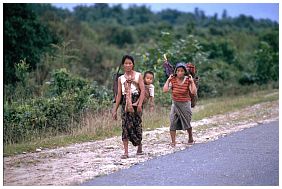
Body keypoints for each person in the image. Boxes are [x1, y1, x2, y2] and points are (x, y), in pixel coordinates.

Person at [112, 55, 145, 159]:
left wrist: (139, 104)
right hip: (125, 103)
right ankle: (126, 152)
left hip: (136, 100)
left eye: (130, 63)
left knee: (137, 124)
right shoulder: (120, 79)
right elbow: (118, 95)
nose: (128, 65)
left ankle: (139, 145)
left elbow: (143, 90)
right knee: (125, 126)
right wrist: (115, 110)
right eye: (126, 63)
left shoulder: (138, 75)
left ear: (133, 64)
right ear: (123, 65)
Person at [163, 62, 197, 147]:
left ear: (185, 71)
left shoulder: (188, 80)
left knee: (187, 122)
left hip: (185, 104)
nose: (180, 73)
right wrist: (168, 80)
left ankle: (190, 137)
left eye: (182, 71)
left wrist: (192, 82)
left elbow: (193, 92)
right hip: (175, 104)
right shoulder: (173, 79)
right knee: (172, 122)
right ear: (176, 71)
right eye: (178, 71)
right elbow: (165, 90)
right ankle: (173, 141)